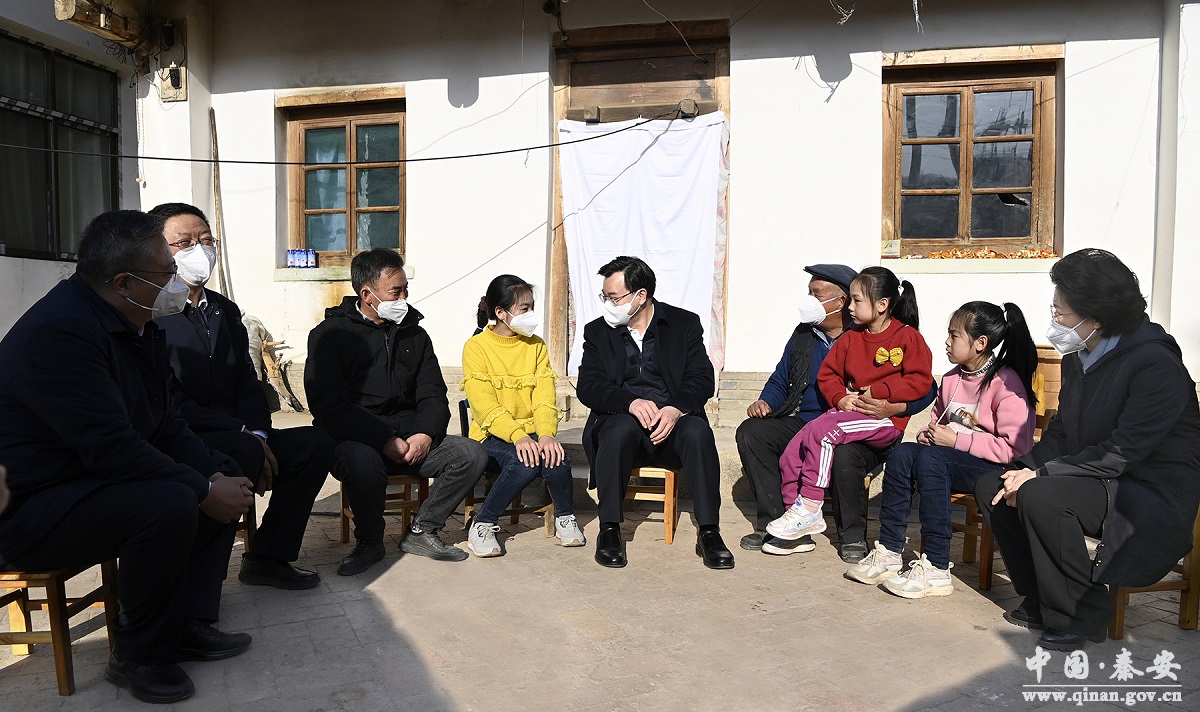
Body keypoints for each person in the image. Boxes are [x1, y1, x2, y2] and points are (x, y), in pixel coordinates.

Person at [0, 210, 255, 703]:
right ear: (124, 282)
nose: (177, 281)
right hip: (30, 507)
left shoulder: (137, 322)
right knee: (170, 503)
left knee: (223, 470)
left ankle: (182, 623)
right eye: (166, 271)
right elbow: (111, 448)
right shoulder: (61, 333)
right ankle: (139, 655)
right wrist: (202, 488)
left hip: (85, 480)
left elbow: (164, 422)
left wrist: (212, 472)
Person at [976, 248, 1200, 650]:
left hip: (1147, 489)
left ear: (1096, 317)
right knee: (993, 485)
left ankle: (1082, 610)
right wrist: (1025, 468)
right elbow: (1062, 432)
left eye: (1060, 312)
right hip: (1096, 477)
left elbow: (1123, 452)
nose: (1055, 321)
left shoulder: (1155, 363)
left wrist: (1040, 475)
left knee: (1041, 494)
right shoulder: (1079, 358)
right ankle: (1043, 598)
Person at [149, 203, 334, 590]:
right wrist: (243, 433)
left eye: (206, 240)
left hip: (241, 434)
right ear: (158, 250)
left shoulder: (225, 310)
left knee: (314, 443)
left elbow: (249, 383)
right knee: (241, 453)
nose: (200, 250)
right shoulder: (151, 313)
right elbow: (166, 398)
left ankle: (267, 557)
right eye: (185, 243)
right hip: (184, 437)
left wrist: (260, 433)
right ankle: (198, 586)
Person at [305, 248, 487, 575]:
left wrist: (425, 434)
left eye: (406, 290)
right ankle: (370, 541)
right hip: (356, 440)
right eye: (396, 291)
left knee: (470, 453)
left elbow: (433, 393)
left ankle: (422, 530)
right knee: (362, 462)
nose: (404, 298)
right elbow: (329, 404)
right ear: (367, 294)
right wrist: (384, 438)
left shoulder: (414, 334)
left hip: (410, 439)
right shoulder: (329, 335)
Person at [736, 264, 935, 560]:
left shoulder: (898, 336)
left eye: (817, 294)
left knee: (844, 451)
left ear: (841, 301)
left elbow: (925, 385)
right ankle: (783, 524)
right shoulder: (807, 335)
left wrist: (892, 403)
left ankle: (848, 533)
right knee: (755, 434)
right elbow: (784, 377)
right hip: (820, 419)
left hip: (869, 423)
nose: (809, 301)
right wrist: (768, 402)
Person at [847, 301, 1037, 598]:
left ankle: (936, 567)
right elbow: (938, 421)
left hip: (993, 469)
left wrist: (956, 441)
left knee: (933, 459)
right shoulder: (951, 378)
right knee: (904, 453)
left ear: (980, 343)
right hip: (948, 458)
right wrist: (927, 434)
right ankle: (889, 552)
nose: (947, 342)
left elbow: (1015, 449)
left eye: (954, 335)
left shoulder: (1006, 383)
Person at [577, 256, 734, 570]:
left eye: (614, 297)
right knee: (618, 429)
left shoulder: (683, 324)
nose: (608, 304)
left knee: (698, 431)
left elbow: (702, 378)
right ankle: (609, 529)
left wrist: (675, 409)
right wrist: (629, 403)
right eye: (605, 297)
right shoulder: (598, 331)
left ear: (641, 296)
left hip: (671, 429)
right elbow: (588, 386)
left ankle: (709, 532)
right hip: (624, 429)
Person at [459, 275, 584, 557]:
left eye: (531, 307)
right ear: (501, 312)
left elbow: (544, 398)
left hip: (531, 433)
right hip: (491, 436)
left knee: (557, 457)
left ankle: (565, 517)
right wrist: (518, 436)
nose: (530, 314)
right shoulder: (476, 347)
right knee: (524, 462)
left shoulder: (536, 345)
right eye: (524, 308)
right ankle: (483, 523)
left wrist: (546, 435)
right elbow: (484, 406)